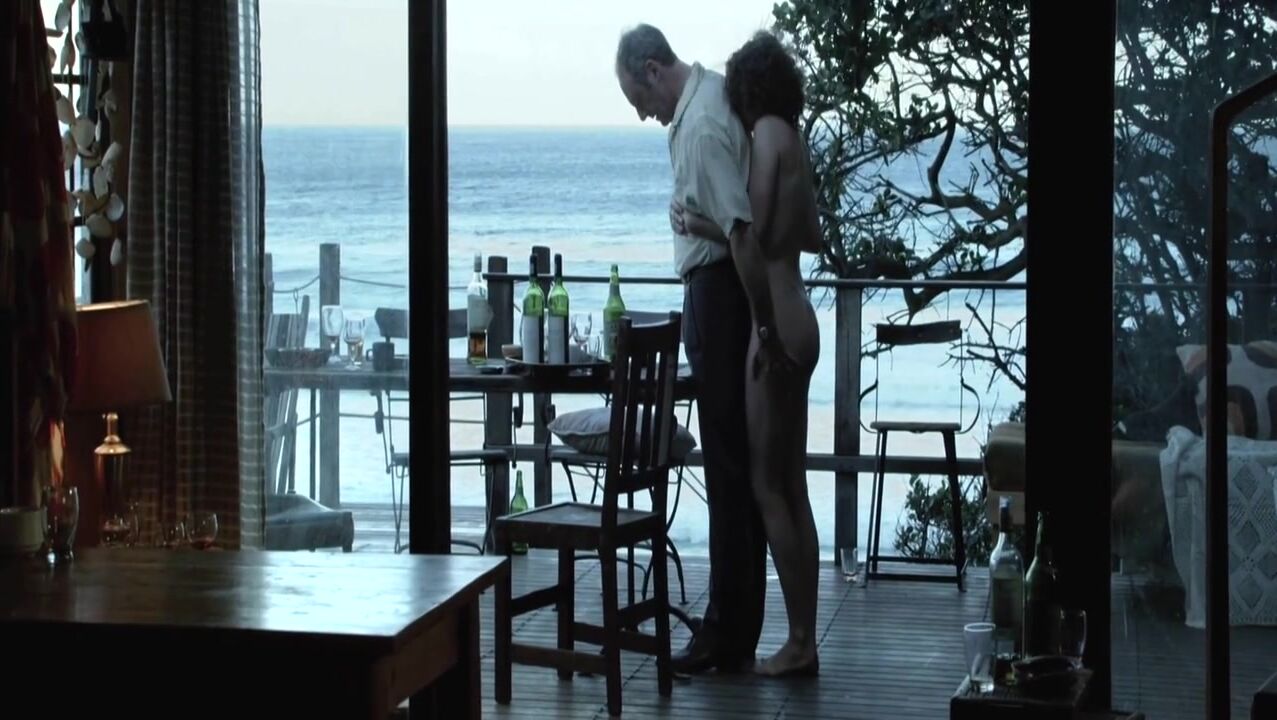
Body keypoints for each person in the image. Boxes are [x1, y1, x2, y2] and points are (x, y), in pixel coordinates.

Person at [615, 24, 768, 674]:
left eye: (638, 99)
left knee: (727, 468)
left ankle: (725, 630)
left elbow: (739, 230)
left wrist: (761, 324)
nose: (643, 115)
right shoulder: (709, 103)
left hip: (720, 294)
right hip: (722, 294)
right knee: (735, 466)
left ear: (653, 70)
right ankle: (736, 625)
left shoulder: (700, 124)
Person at [676, 31, 823, 677]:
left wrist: (699, 222)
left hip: (778, 321)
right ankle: (803, 635)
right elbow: (810, 234)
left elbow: (753, 234)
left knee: (767, 486)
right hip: (804, 311)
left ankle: (799, 641)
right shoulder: (794, 139)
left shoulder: (764, 135)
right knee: (794, 485)